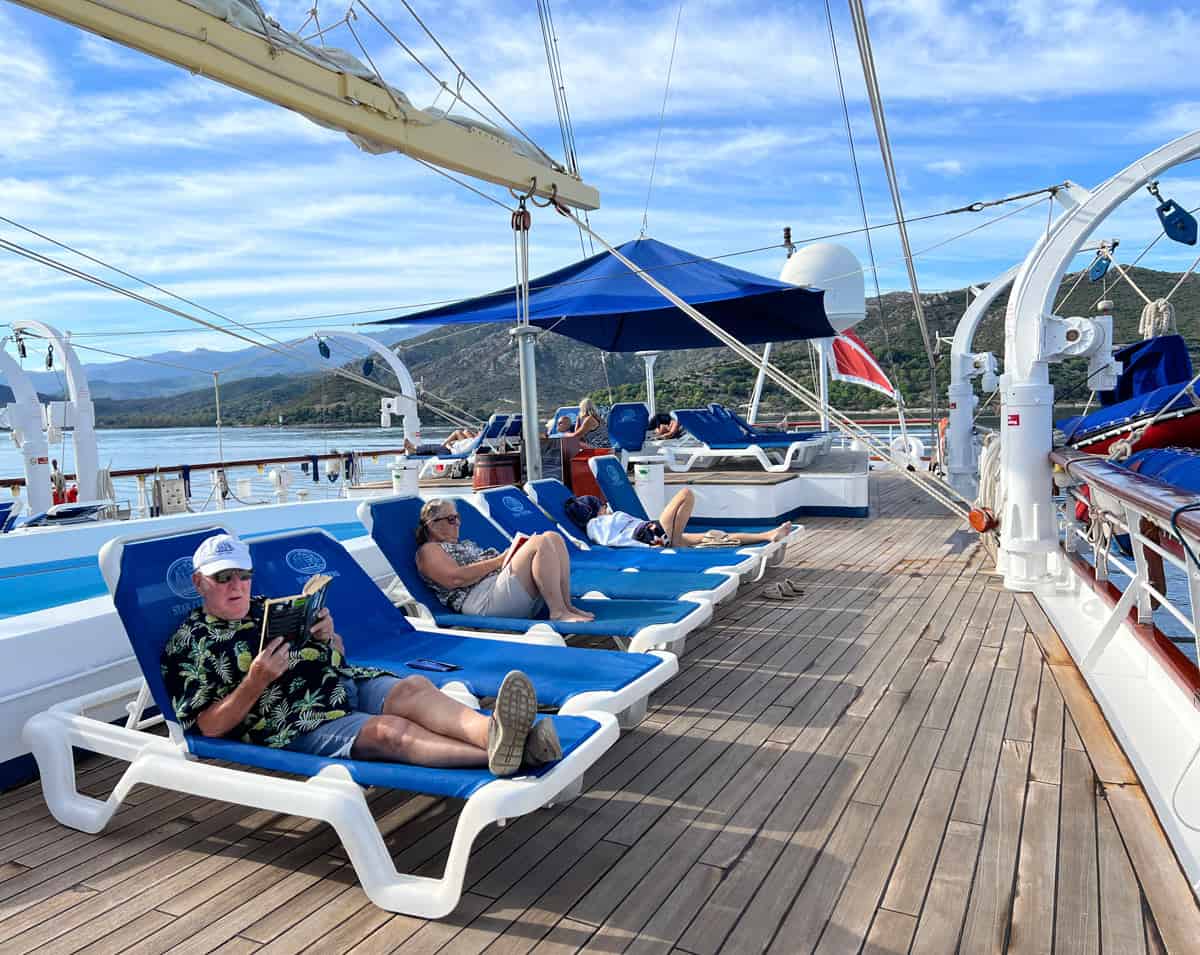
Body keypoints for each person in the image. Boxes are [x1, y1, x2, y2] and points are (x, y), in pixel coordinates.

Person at [161, 533, 559, 776]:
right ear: (199, 582)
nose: (236, 586)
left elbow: (336, 653)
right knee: (390, 733)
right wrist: (256, 680)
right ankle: (515, 753)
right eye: (223, 577)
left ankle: (496, 733)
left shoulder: (268, 607)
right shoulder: (190, 643)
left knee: (415, 687)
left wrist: (329, 636)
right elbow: (208, 727)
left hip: (340, 682)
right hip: (293, 719)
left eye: (243, 575)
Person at [415, 498, 595, 623]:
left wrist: (509, 557)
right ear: (432, 524)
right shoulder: (429, 550)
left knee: (552, 537)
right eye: (451, 519)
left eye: (457, 518)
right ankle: (558, 612)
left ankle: (566, 606)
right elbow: (455, 579)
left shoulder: (461, 544)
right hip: (482, 600)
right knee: (539, 543)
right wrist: (499, 561)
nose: (458, 523)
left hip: (500, 589)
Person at [563, 488, 792, 548]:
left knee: (710, 536)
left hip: (653, 536)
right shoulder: (597, 524)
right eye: (603, 506)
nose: (607, 508)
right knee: (685, 494)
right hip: (651, 534)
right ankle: (675, 542)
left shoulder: (599, 526)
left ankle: (767, 535)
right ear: (596, 510)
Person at [404, 428, 479, 457]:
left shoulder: (472, 442)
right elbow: (462, 444)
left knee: (433, 448)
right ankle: (414, 449)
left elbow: (461, 451)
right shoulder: (473, 441)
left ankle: (414, 450)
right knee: (434, 447)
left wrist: (449, 446)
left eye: (479, 431)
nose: (477, 431)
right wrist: (452, 443)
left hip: (451, 451)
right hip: (452, 448)